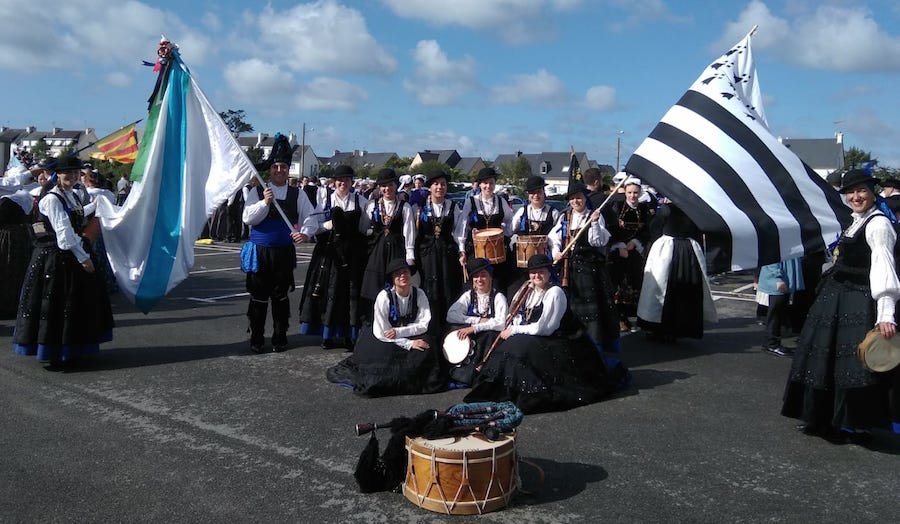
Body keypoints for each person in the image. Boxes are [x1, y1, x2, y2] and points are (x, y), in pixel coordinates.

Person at [782, 169, 900, 445]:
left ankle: (853, 424)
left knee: (851, 364)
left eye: (861, 191)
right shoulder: (857, 220)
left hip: (857, 300)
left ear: (872, 192)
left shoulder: (878, 224)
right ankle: (823, 418)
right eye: (851, 192)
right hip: (836, 297)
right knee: (826, 360)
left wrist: (886, 312)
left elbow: (884, 268)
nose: (855, 196)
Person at [464, 254, 627, 414]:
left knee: (520, 346)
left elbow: (546, 328)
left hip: (561, 341)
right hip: (539, 337)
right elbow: (521, 316)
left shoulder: (555, 293)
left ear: (549, 272)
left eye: (541, 271)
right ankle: (502, 389)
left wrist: (514, 330)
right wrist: (512, 324)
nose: (536, 275)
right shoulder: (529, 291)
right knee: (513, 345)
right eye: (533, 272)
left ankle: (525, 392)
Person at [13, 154, 114, 368]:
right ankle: (58, 352)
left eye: (77, 173)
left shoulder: (71, 195)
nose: (73, 176)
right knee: (59, 305)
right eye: (68, 172)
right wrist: (84, 258)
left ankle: (73, 348)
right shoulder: (51, 198)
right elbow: (64, 235)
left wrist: (97, 204)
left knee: (73, 304)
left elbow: (76, 215)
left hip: (68, 255)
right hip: (55, 257)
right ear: (58, 174)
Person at [325, 259, 445, 396]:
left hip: (405, 333)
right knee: (382, 357)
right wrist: (407, 343)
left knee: (426, 349)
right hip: (383, 336)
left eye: (405, 272)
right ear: (393, 279)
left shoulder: (419, 294)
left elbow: (424, 324)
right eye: (398, 274)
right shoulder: (384, 297)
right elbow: (382, 332)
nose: (403, 276)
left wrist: (401, 333)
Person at [242, 135, 317, 353]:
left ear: (288, 170)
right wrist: (265, 203)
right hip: (259, 253)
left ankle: (279, 336)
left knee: (280, 297)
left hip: (283, 253)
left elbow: (310, 218)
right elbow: (248, 218)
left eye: (283, 167)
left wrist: (304, 233)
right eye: (275, 166)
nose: (279, 170)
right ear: (270, 169)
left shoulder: (298, 193)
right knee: (258, 297)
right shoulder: (257, 192)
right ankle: (256, 337)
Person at [299, 164, 369, 349]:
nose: (343, 183)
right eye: (339, 180)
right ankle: (327, 334)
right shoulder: (325, 201)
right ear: (333, 182)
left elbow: (364, 226)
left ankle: (349, 335)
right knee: (328, 291)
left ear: (351, 182)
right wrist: (324, 227)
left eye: (346, 180)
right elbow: (314, 222)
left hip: (352, 254)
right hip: (329, 253)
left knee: (349, 293)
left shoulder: (360, 201)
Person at [549, 182, 620, 353]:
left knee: (592, 308)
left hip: (589, 268)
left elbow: (598, 242)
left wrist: (594, 223)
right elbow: (553, 238)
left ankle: (594, 345)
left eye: (578, 197)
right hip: (568, 268)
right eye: (572, 198)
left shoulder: (594, 216)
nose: (575, 201)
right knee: (568, 306)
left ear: (584, 197)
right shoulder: (565, 217)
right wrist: (556, 252)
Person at [636, 203, 717, 342]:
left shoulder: (666, 208)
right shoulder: (693, 208)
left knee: (662, 288)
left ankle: (657, 328)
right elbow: (698, 232)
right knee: (684, 290)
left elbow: (654, 227)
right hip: (690, 250)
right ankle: (678, 329)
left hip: (667, 249)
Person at [445, 257, 509, 385]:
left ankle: (479, 374)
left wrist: (475, 328)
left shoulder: (498, 297)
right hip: (473, 333)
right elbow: (451, 315)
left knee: (489, 336)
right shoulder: (468, 295)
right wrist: (478, 320)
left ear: (490, 277)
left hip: (487, 338)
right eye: (476, 276)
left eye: (483, 275)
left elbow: (501, 323)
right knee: (455, 329)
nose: (479, 279)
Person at [414, 169, 463, 331]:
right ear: (430, 187)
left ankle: (448, 327)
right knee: (429, 288)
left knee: (448, 287)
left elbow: (458, 231)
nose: (440, 187)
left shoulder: (453, 207)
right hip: (427, 254)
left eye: (443, 184)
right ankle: (430, 327)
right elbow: (414, 233)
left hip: (447, 254)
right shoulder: (420, 207)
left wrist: (461, 251)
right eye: (436, 184)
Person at [360, 168, 416, 309]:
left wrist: (409, 254)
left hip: (396, 250)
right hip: (377, 250)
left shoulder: (405, 207)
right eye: (384, 186)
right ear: (379, 188)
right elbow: (363, 227)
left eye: (390, 185)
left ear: (396, 186)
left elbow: (408, 231)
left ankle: (395, 313)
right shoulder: (372, 205)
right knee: (375, 283)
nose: (387, 189)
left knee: (394, 283)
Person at [605, 177, 654, 332]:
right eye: (630, 192)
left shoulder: (644, 209)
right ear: (625, 192)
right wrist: (620, 245)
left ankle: (635, 317)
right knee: (618, 285)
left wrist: (635, 242)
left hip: (635, 252)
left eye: (635, 193)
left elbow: (647, 231)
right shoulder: (617, 207)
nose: (633, 196)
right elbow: (610, 229)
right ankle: (620, 319)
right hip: (618, 253)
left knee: (634, 285)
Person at [455, 167, 514, 291]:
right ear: (480, 184)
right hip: (476, 251)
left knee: (497, 285)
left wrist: (504, 232)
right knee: (477, 285)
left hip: (497, 253)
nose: (488, 186)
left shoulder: (501, 201)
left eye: (491, 183)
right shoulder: (470, 202)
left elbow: (510, 220)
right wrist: (462, 250)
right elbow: (462, 227)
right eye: (485, 183)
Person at [509, 175, 559, 295]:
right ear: (528, 195)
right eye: (532, 193)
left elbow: (557, 237)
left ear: (544, 193)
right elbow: (510, 230)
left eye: (539, 192)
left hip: (544, 261)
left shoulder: (553, 213)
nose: (536, 195)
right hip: (524, 263)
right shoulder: (522, 211)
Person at [756, 257, 803, 356]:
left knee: (779, 313)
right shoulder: (777, 242)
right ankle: (771, 344)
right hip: (776, 281)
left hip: (783, 278)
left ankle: (772, 342)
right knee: (775, 314)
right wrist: (777, 277)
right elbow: (771, 258)